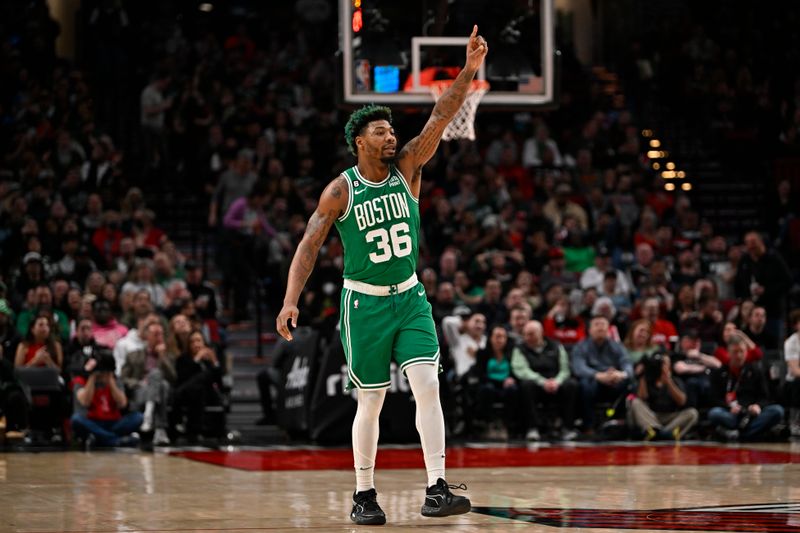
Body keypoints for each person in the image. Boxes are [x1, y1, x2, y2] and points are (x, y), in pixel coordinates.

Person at [275, 26, 488, 525]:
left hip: (410, 297)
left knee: (427, 386)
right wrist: (290, 300)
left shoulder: (409, 167)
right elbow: (309, 246)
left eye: (392, 130)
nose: (391, 136)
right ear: (358, 142)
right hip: (363, 303)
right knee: (369, 402)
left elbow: (441, 114)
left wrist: (469, 70)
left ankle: (436, 486)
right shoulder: (339, 191)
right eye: (381, 132)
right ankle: (363, 494)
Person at [511, 320, 579, 441]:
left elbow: (565, 369)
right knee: (526, 385)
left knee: (571, 384)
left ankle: (567, 427)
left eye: (531, 334)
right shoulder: (519, 349)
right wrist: (543, 382)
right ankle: (533, 428)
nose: (528, 337)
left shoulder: (557, 346)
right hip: (536, 384)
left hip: (556, 383)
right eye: (525, 334)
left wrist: (557, 382)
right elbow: (521, 371)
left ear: (541, 333)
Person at [708, 336, 784, 441]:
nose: (739, 356)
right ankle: (750, 433)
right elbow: (714, 398)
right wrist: (728, 407)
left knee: (777, 411)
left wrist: (757, 406)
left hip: (751, 415)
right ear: (728, 353)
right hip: (731, 414)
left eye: (742, 351)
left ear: (746, 352)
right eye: (735, 352)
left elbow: (765, 397)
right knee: (714, 413)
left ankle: (739, 434)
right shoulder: (719, 373)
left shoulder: (755, 371)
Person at [571, 315, 634, 431]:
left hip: (613, 380)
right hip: (593, 380)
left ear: (608, 329)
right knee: (585, 384)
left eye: (603, 325)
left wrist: (621, 374)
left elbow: (627, 364)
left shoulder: (617, 346)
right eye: (597, 325)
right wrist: (598, 375)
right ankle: (588, 425)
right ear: (589, 330)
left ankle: (619, 422)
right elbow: (579, 368)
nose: (600, 328)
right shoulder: (581, 346)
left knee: (631, 383)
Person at [71, 350, 142, 448]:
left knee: (137, 417)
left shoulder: (114, 380)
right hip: (92, 422)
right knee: (76, 420)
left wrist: (110, 380)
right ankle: (115, 440)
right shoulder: (81, 380)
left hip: (113, 422)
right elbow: (85, 402)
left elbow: (122, 404)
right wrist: (92, 377)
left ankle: (100, 439)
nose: (102, 374)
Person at [628, 352, 698, 440]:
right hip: (652, 416)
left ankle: (663, 433)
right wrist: (644, 374)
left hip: (671, 416)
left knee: (692, 413)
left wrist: (668, 381)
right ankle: (655, 430)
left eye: (665, 363)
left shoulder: (676, 381)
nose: (661, 366)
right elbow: (642, 397)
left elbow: (682, 401)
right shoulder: (648, 380)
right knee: (636, 402)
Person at [783, 309, 800, 439]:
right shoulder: (791, 342)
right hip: (793, 381)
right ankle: (794, 422)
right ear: (796, 325)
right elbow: (795, 370)